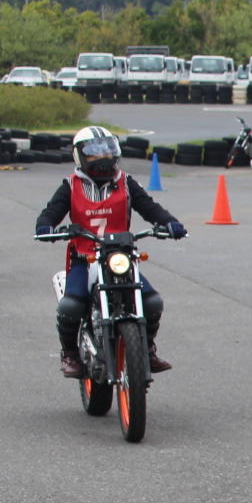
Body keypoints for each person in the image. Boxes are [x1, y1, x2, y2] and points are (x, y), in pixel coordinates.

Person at [34, 126, 186, 378]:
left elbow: (149, 207)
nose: (102, 158)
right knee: (71, 305)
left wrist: (170, 223)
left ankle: (146, 349)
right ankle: (70, 353)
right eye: (93, 154)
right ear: (79, 157)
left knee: (151, 301)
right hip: (84, 257)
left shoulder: (125, 182)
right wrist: (45, 227)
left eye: (106, 151)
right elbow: (51, 211)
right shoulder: (70, 186)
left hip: (121, 256)